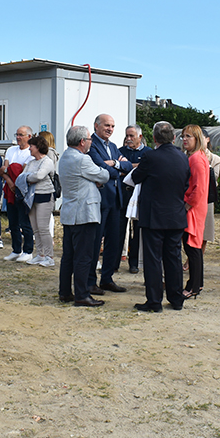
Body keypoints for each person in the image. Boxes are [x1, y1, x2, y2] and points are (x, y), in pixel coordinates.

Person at [132, 121, 190, 312]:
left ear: (154, 138)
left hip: (154, 216)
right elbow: (185, 183)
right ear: (173, 138)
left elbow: (136, 177)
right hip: (175, 215)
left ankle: (154, 301)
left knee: (153, 260)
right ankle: (176, 298)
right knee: (173, 258)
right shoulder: (183, 157)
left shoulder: (150, 156)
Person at [57, 126, 112, 307]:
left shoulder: (65, 156)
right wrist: (104, 170)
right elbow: (104, 175)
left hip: (70, 213)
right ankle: (82, 294)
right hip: (84, 214)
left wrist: (91, 180)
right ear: (82, 142)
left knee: (68, 256)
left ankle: (65, 292)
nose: (90, 142)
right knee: (83, 256)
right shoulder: (82, 159)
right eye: (89, 139)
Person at [88, 114, 133, 293]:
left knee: (113, 242)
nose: (110, 129)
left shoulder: (113, 146)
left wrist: (113, 163)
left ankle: (107, 279)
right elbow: (100, 169)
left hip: (115, 200)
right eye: (107, 125)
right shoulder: (91, 145)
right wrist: (117, 168)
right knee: (95, 242)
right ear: (96, 126)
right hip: (99, 200)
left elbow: (128, 167)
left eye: (113, 126)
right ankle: (90, 281)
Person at [17, 134, 56, 267]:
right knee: (35, 228)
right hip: (31, 197)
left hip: (45, 196)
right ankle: (40, 254)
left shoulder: (47, 161)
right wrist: (29, 177)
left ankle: (49, 256)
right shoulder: (31, 162)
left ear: (38, 147)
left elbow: (39, 176)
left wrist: (28, 177)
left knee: (43, 227)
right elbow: (22, 176)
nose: (29, 149)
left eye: (31, 146)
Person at [181, 125, 210, 299]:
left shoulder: (196, 159)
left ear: (197, 138)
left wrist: (187, 205)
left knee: (192, 247)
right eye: (183, 136)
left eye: (188, 136)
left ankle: (194, 286)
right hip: (195, 207)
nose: (185, 139)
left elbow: (199, 188)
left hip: (193, 209)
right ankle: (196, 284)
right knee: (193, 247)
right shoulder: (196, 156)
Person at [119, 125, 151, 274]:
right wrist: (135, 166)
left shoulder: (148, 153)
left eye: (132, 136)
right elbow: (116, 169)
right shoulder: (120, 151)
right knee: (119, 229)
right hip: (122, 194)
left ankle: (134, 262)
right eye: (127, 136)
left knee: (137, 231)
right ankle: (114, 262)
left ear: (140, 137)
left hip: (139, 197)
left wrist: (125, 166)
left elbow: (145, 170)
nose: (128, 139)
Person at [1, 126, 35, 262]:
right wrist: (9, 181)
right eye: (17, 134)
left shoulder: (31, 152)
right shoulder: (11, 150)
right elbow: (3, 169)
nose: (18, 137)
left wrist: (10, 170)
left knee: (25, 222)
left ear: (29, 137)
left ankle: (28, 250)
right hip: (10, 190)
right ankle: (16, 249)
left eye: (21, 135)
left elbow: (23, 171)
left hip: (24, 191)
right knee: (13, 222)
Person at [201, 128, 220, 260]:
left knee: (205, 232)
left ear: (207, 139)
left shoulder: (215, 159)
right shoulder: (185, 156)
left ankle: (194, 259)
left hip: (206, 199)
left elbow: (213, 181)